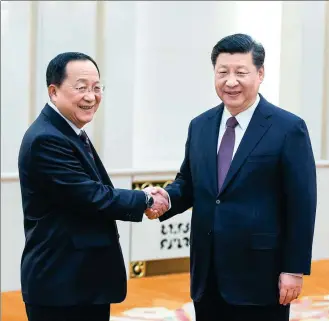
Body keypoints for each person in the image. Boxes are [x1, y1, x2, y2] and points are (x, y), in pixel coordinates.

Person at [149, 34, 317, 321]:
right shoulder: (200, 125)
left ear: (260, 73)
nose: (230, 81)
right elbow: (188, 183)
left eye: (241, 72)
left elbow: (302, 204)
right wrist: (165, 197)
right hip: (207, 275)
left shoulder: (288, 128)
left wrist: (293, 268)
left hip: (262, 275)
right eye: (222, 72)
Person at [18, 52, 167, 321]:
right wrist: (144, 199)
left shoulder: (68, 131)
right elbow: (89, 196)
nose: (91, 96)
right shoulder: (46, 139)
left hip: (80, 283)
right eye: (81, 88)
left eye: (97, 88)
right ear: (53, 91)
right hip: (61, 286)